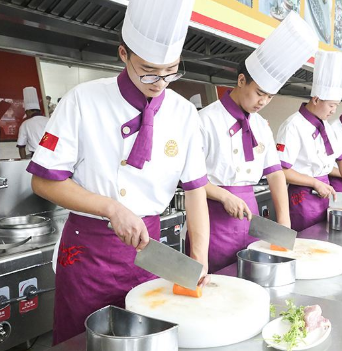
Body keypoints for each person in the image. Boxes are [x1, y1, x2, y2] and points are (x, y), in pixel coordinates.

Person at [26, 0, 210, 345]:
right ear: (123, 54)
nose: (161, 82)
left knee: (143, 341)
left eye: (171, 71)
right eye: (150, 71)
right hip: (88, 255)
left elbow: (197, 189)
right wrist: (111, 208)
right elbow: (43, 181)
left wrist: (199, 258)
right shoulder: (82, 100)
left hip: (150, 253)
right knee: (80, 341)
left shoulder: (185, 114)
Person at [198, 11, 317, 272]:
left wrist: (284, 221)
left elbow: (275, 174)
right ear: (241, 81)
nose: (263, 102)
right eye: (259, 93)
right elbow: (191, 180)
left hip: (251, 219)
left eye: (270, 97)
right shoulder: (204, 120)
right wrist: (223, 196)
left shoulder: (261, 126)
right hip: (213, 219)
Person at [276, 50, 342, 232]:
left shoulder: (326, 127)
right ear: (316, 99)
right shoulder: (293, 126)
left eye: (336, 105)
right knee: (307, 245)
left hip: (324, 192)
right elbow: (282, 171)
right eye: (331, 105)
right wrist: (314, 182)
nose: (334, 110)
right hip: (302, 197)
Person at [16, 87, 48, 159]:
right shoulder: (49, 120)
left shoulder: (25, 124)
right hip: (53, 157)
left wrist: (23, 162)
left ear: (28, 111)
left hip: (36, 158)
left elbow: (21, 146)